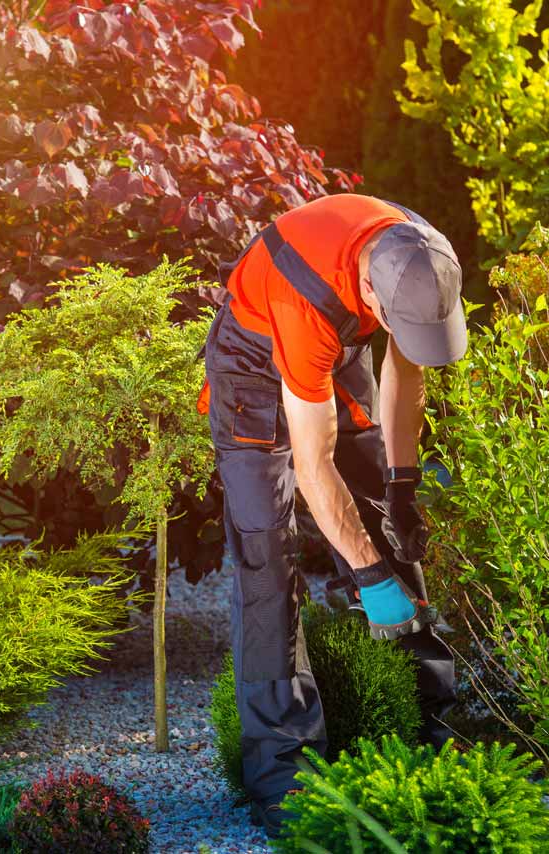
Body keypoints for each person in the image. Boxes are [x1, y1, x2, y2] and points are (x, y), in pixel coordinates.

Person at [196, 193, 467, 838]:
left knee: (380, 515)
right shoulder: (306, 298)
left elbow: (408, 380)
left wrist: (401, 488)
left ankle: (429, 723)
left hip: (336, 355)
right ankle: (286, 774)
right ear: (372, 299)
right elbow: (313, 466)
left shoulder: (424, 259)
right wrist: (369, 580)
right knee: (269, 557)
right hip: (254, 366)